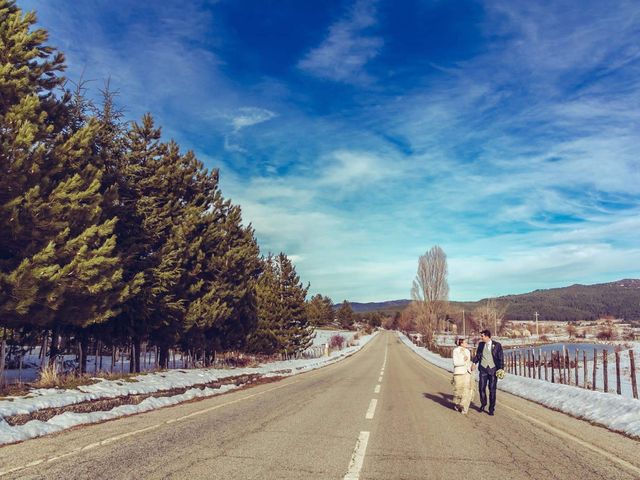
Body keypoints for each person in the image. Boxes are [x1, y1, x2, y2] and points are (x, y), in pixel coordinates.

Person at [472, 329, 504, 416]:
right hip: (483, 369)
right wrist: (474, 362)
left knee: (492, 390)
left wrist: (501, 369)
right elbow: (478, 355)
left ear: (487, 336)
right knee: (481, 388)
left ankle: (491, 409)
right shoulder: (481, 345)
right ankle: (483, 404)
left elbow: (501, 358)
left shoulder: (497, 345)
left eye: (482, 336)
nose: (481, 338)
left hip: (493, 370)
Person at [452, 337, 474, 414]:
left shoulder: (467, 351)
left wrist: (471, 366)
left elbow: (468, 361)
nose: (466, 344)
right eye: (465, 342)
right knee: (458, 390)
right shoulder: (456, 351)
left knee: (467, 390)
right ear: (461, 343)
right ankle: (458, 405)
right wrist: (463, 360)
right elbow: (455, 363)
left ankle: (464, 407)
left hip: (467, 372)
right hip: (459, 372)